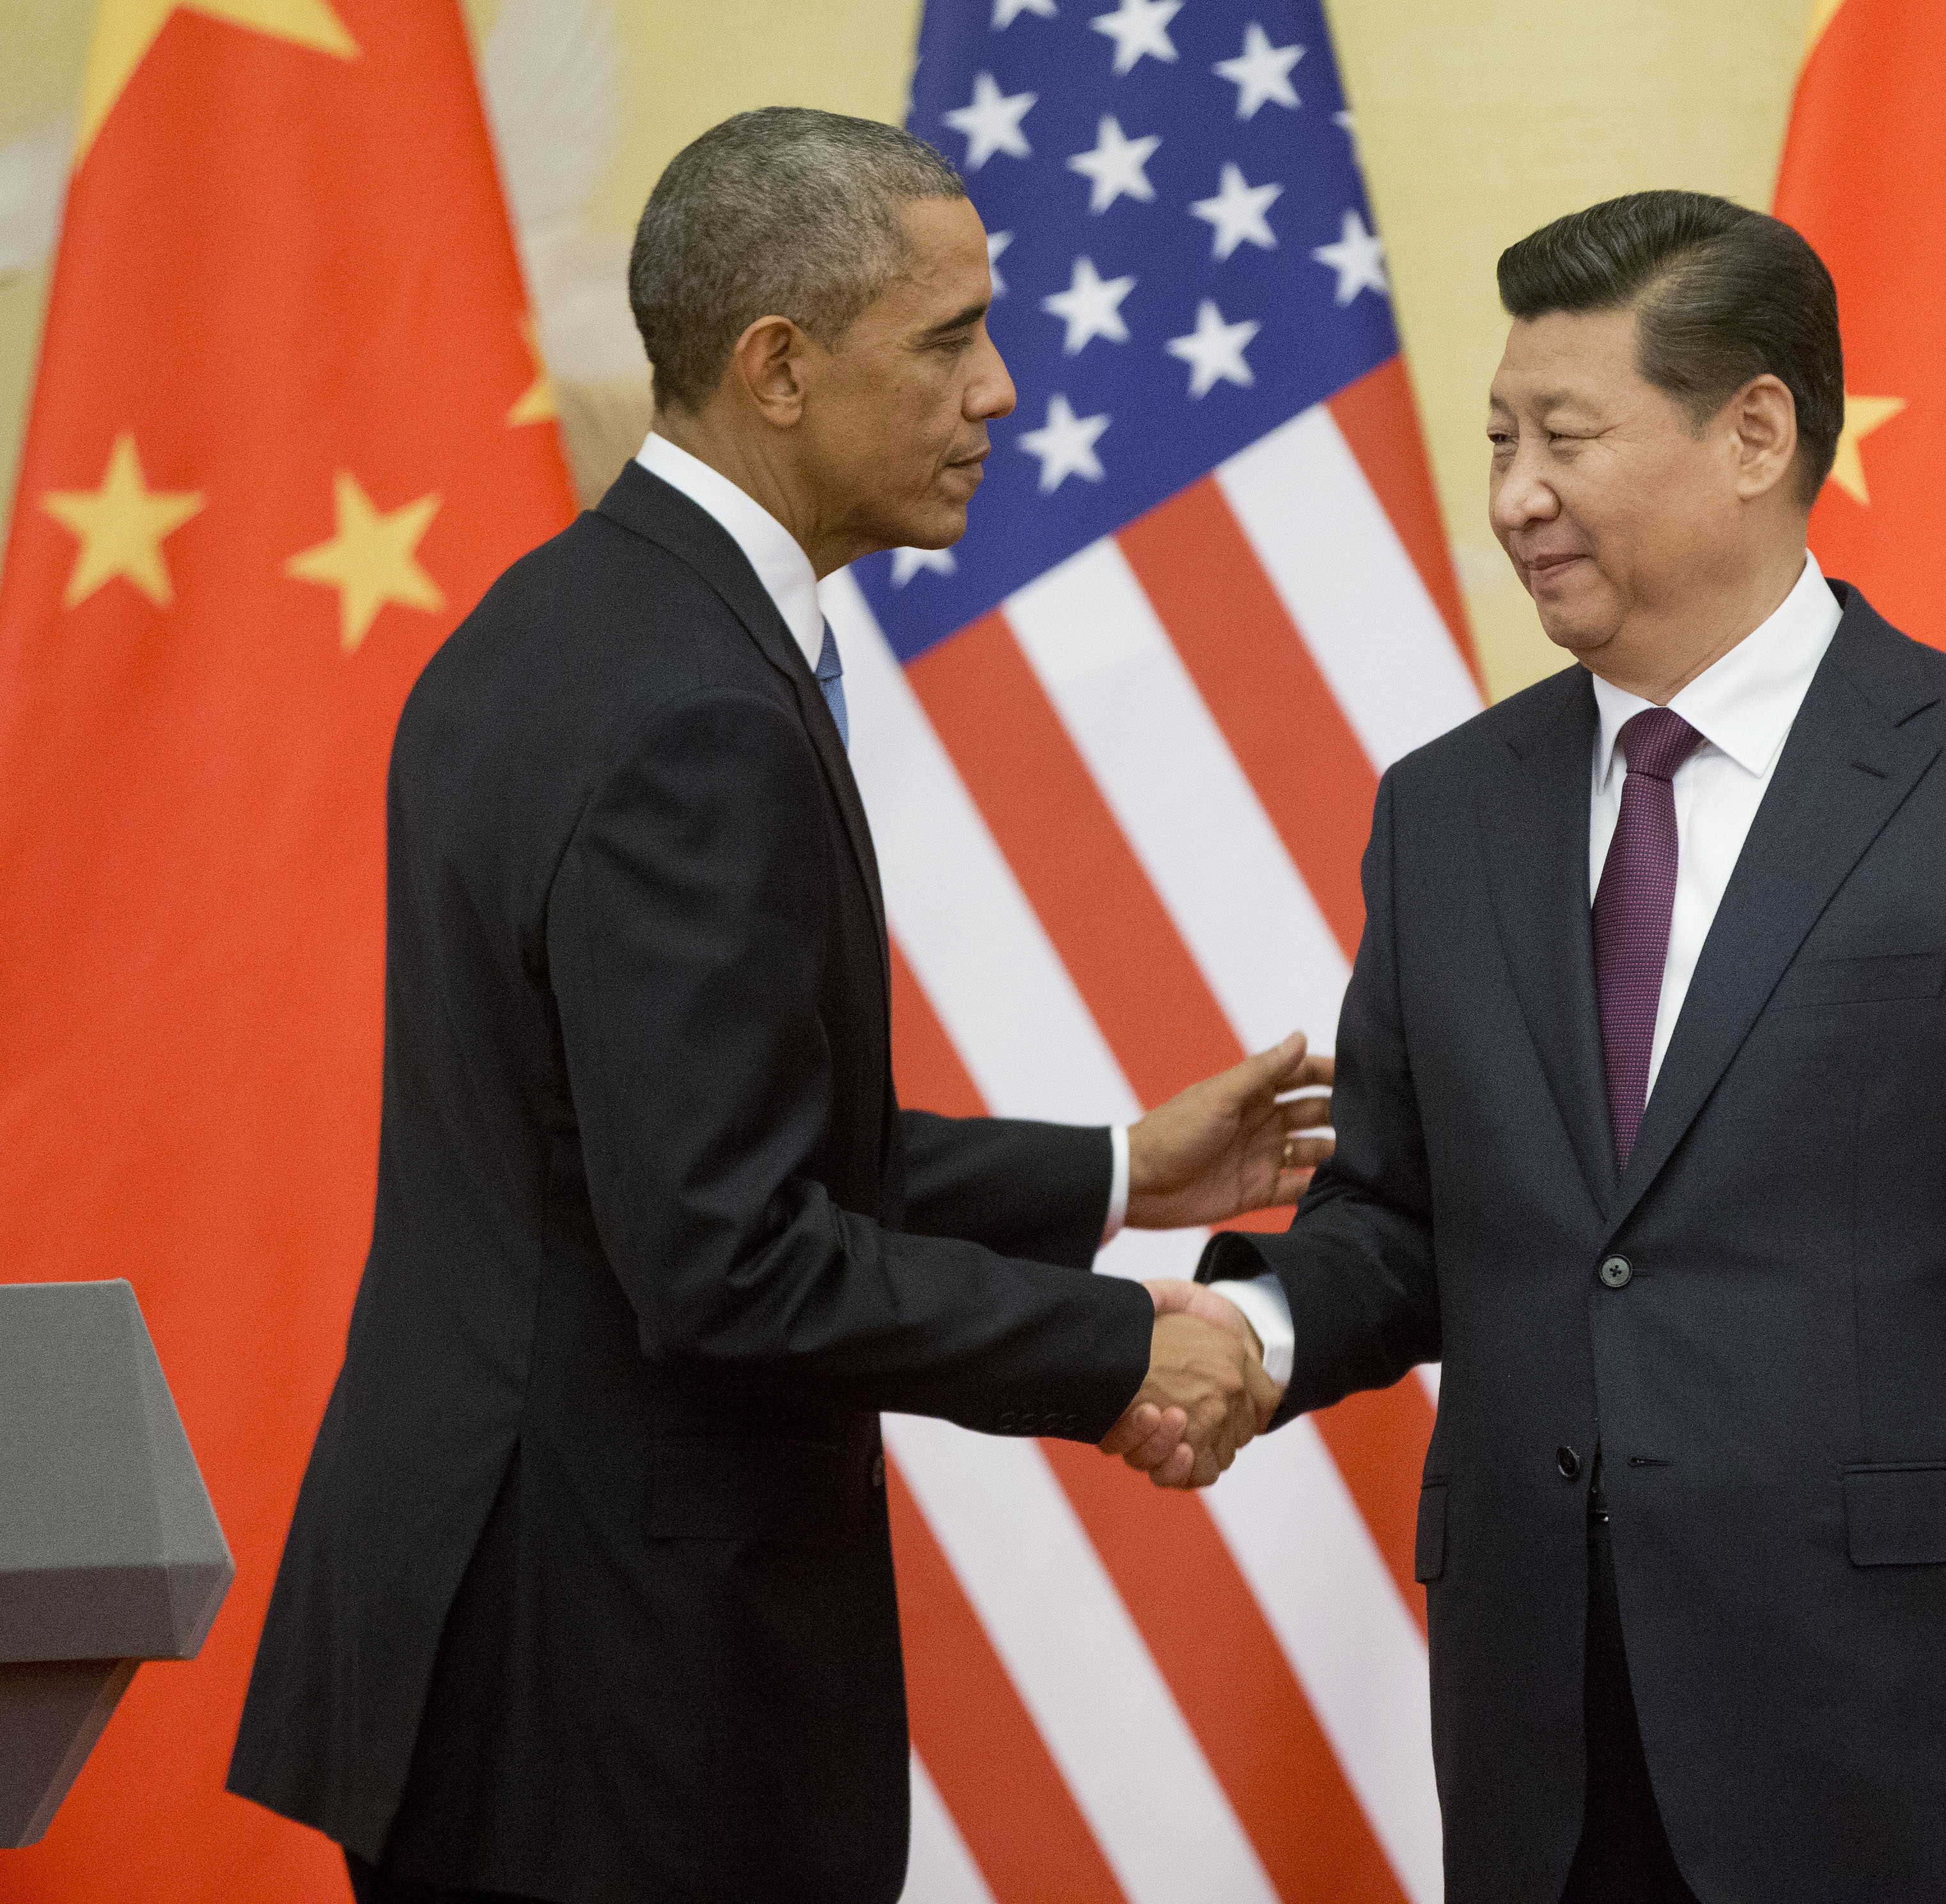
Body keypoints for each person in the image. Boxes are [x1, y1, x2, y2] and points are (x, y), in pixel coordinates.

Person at [229, 109, 1311, 1904]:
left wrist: (1120, 1168)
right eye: (951, 335)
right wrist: (1121, 1344)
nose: (1004, 390)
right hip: (608, 1704)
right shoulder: (698, 713)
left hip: (510, 1659)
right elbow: (725, 1255)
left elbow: (671, 1147)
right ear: (780, 369)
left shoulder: (563, 621)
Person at [1187, 190, 1946, 1904]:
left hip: (1918, 1726)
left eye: (1565, 436)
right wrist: (1248, 1325)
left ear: (1756, 430)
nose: (1514, 493)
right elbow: (1399, 1216)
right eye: (1498, 436)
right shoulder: (1444, 812)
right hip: (1553, 1732)